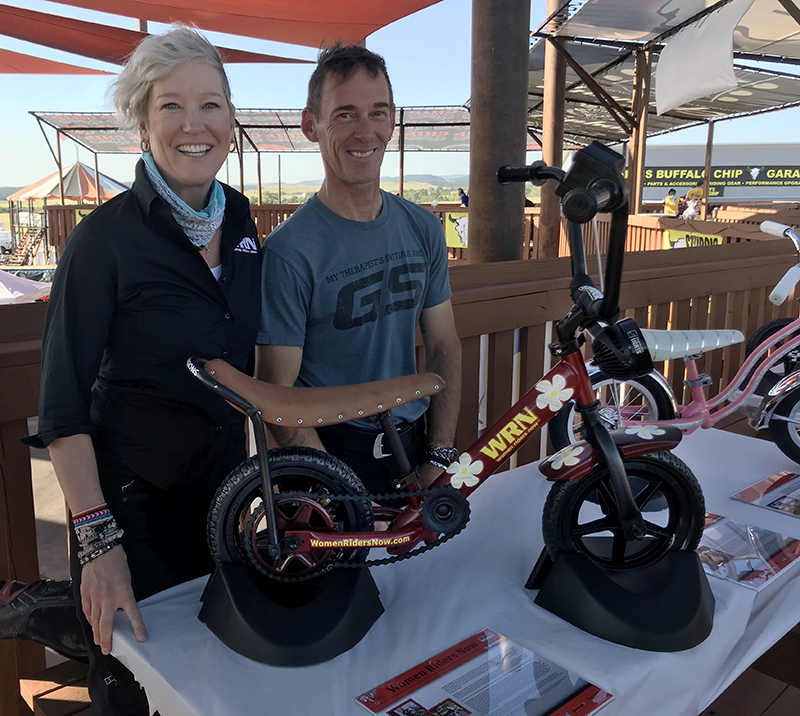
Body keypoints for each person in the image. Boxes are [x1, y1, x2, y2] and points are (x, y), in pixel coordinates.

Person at [1, 26, 261, 716]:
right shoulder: (103, 241)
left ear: (230, 121)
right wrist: (98, 542)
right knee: (133, 693)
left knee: (211, 685)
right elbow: (60, 411)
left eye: (210, 104)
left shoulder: (239, 219)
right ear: (143, 123)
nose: (193, 124)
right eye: (171, 106)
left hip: (224, 511)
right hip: (129, 520)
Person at [256, 44, 462, 499]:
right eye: (345, 114)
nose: (365, 131)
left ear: (393, 122)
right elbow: (277, 397)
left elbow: (444, 343)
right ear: (311, 125)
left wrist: (440, 454)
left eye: (378, 112)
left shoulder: (423, 227)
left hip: (415, 447)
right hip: (330, 456)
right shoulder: (289, 252)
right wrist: (340, 488)